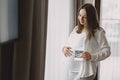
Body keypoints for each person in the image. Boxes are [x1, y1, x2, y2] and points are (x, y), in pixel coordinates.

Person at [62, 3, 111, 80]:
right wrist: (64, 49)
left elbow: (107, 51)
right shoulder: (76, 29)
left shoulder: (98, 32)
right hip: (71, 70)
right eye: (80, 15)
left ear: (91, 18)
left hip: (85, 72)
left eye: (85, 17)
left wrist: (92, 56)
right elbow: (68, 44)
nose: (81, 19)